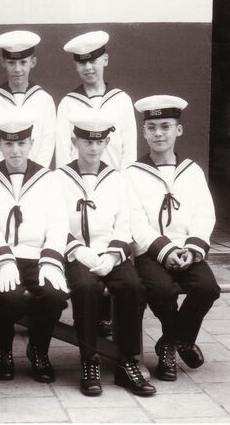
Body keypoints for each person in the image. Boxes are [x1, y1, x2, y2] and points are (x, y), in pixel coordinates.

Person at [57, 109, 155, 397]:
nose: (93, 148)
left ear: (106, 143)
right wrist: (78, 251)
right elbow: (53, 222)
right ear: (75, 142)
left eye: (99, 142)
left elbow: (124, 224)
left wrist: (112, 256)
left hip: (109, 252)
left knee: (132, 286)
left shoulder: (117, 179)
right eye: (87, 142)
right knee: (85, 287)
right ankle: (89, 360)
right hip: (75, 253)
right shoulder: (59, 178)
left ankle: (127, 361)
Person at [126, 95, 220, 382]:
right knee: (162, 291)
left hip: (187, 249)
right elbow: (135, 220)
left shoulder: (192, 171)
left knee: (207, 288)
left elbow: (204, 213)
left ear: (178, 130)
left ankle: (171, 341)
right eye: (152, 127)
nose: (159, 133)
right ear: (144, 132)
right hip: (150, 252)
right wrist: (165, 251)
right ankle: (180, 343)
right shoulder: (132, 174)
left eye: (165, 126)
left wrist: (193, 248)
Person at [0, 112, 69, 385]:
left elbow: (58, 222)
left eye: (21, 143)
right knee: (8, 296)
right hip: (4, 257)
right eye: (8, 144)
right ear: (0, 145)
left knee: (53, 295)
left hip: (38, 257)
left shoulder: (48, 178)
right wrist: (4, 260)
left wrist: (51, 260)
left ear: (31, 144)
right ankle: (3, 350)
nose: (15, 150)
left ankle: (39, 349)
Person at [55, 30, 136, 171]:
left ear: (105, 60)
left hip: (114, 178)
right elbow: (63, 153)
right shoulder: (68, 103)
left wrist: (125, 181)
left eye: (93, 61)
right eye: (82, 62)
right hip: (78, 179)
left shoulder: (122, 100)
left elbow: (129, 151)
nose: (88, 67)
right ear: (76, 65)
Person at [0, 30, 56, 168]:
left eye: (23, 62)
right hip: (1, 175)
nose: (17, 69)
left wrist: (36, 174)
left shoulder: (44, 100)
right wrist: (0, 174)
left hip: (36, 174)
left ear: (33, 62)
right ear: (3, 62)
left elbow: (47, 143)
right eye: (11, 62)